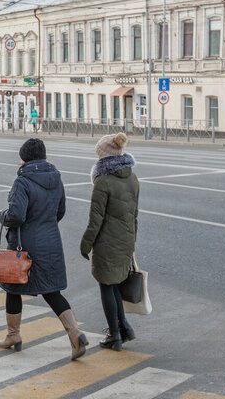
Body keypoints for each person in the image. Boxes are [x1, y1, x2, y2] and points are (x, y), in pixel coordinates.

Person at [0, 138, 88, 361]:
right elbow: (60, 211)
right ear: (45, 157)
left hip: (24, 245)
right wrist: (45, 224)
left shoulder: (23, 181)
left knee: (13, 288)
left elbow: (16, 215)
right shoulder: (56, 178)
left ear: (23, 158)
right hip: (51, 242)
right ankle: (75, 335)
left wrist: (3, 216)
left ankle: (13, 335)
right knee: (52, 291)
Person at [80, 132, 139, 351]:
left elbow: (95, 220)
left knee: (107, 286)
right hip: (126, 240)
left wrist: (85, 245)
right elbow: (135, 215)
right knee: (115, 285)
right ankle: (124, 328)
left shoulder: (102, 182)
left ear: (104, 157)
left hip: (107, 243)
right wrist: (132, 242)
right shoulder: (132, 178)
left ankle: (114, 335)